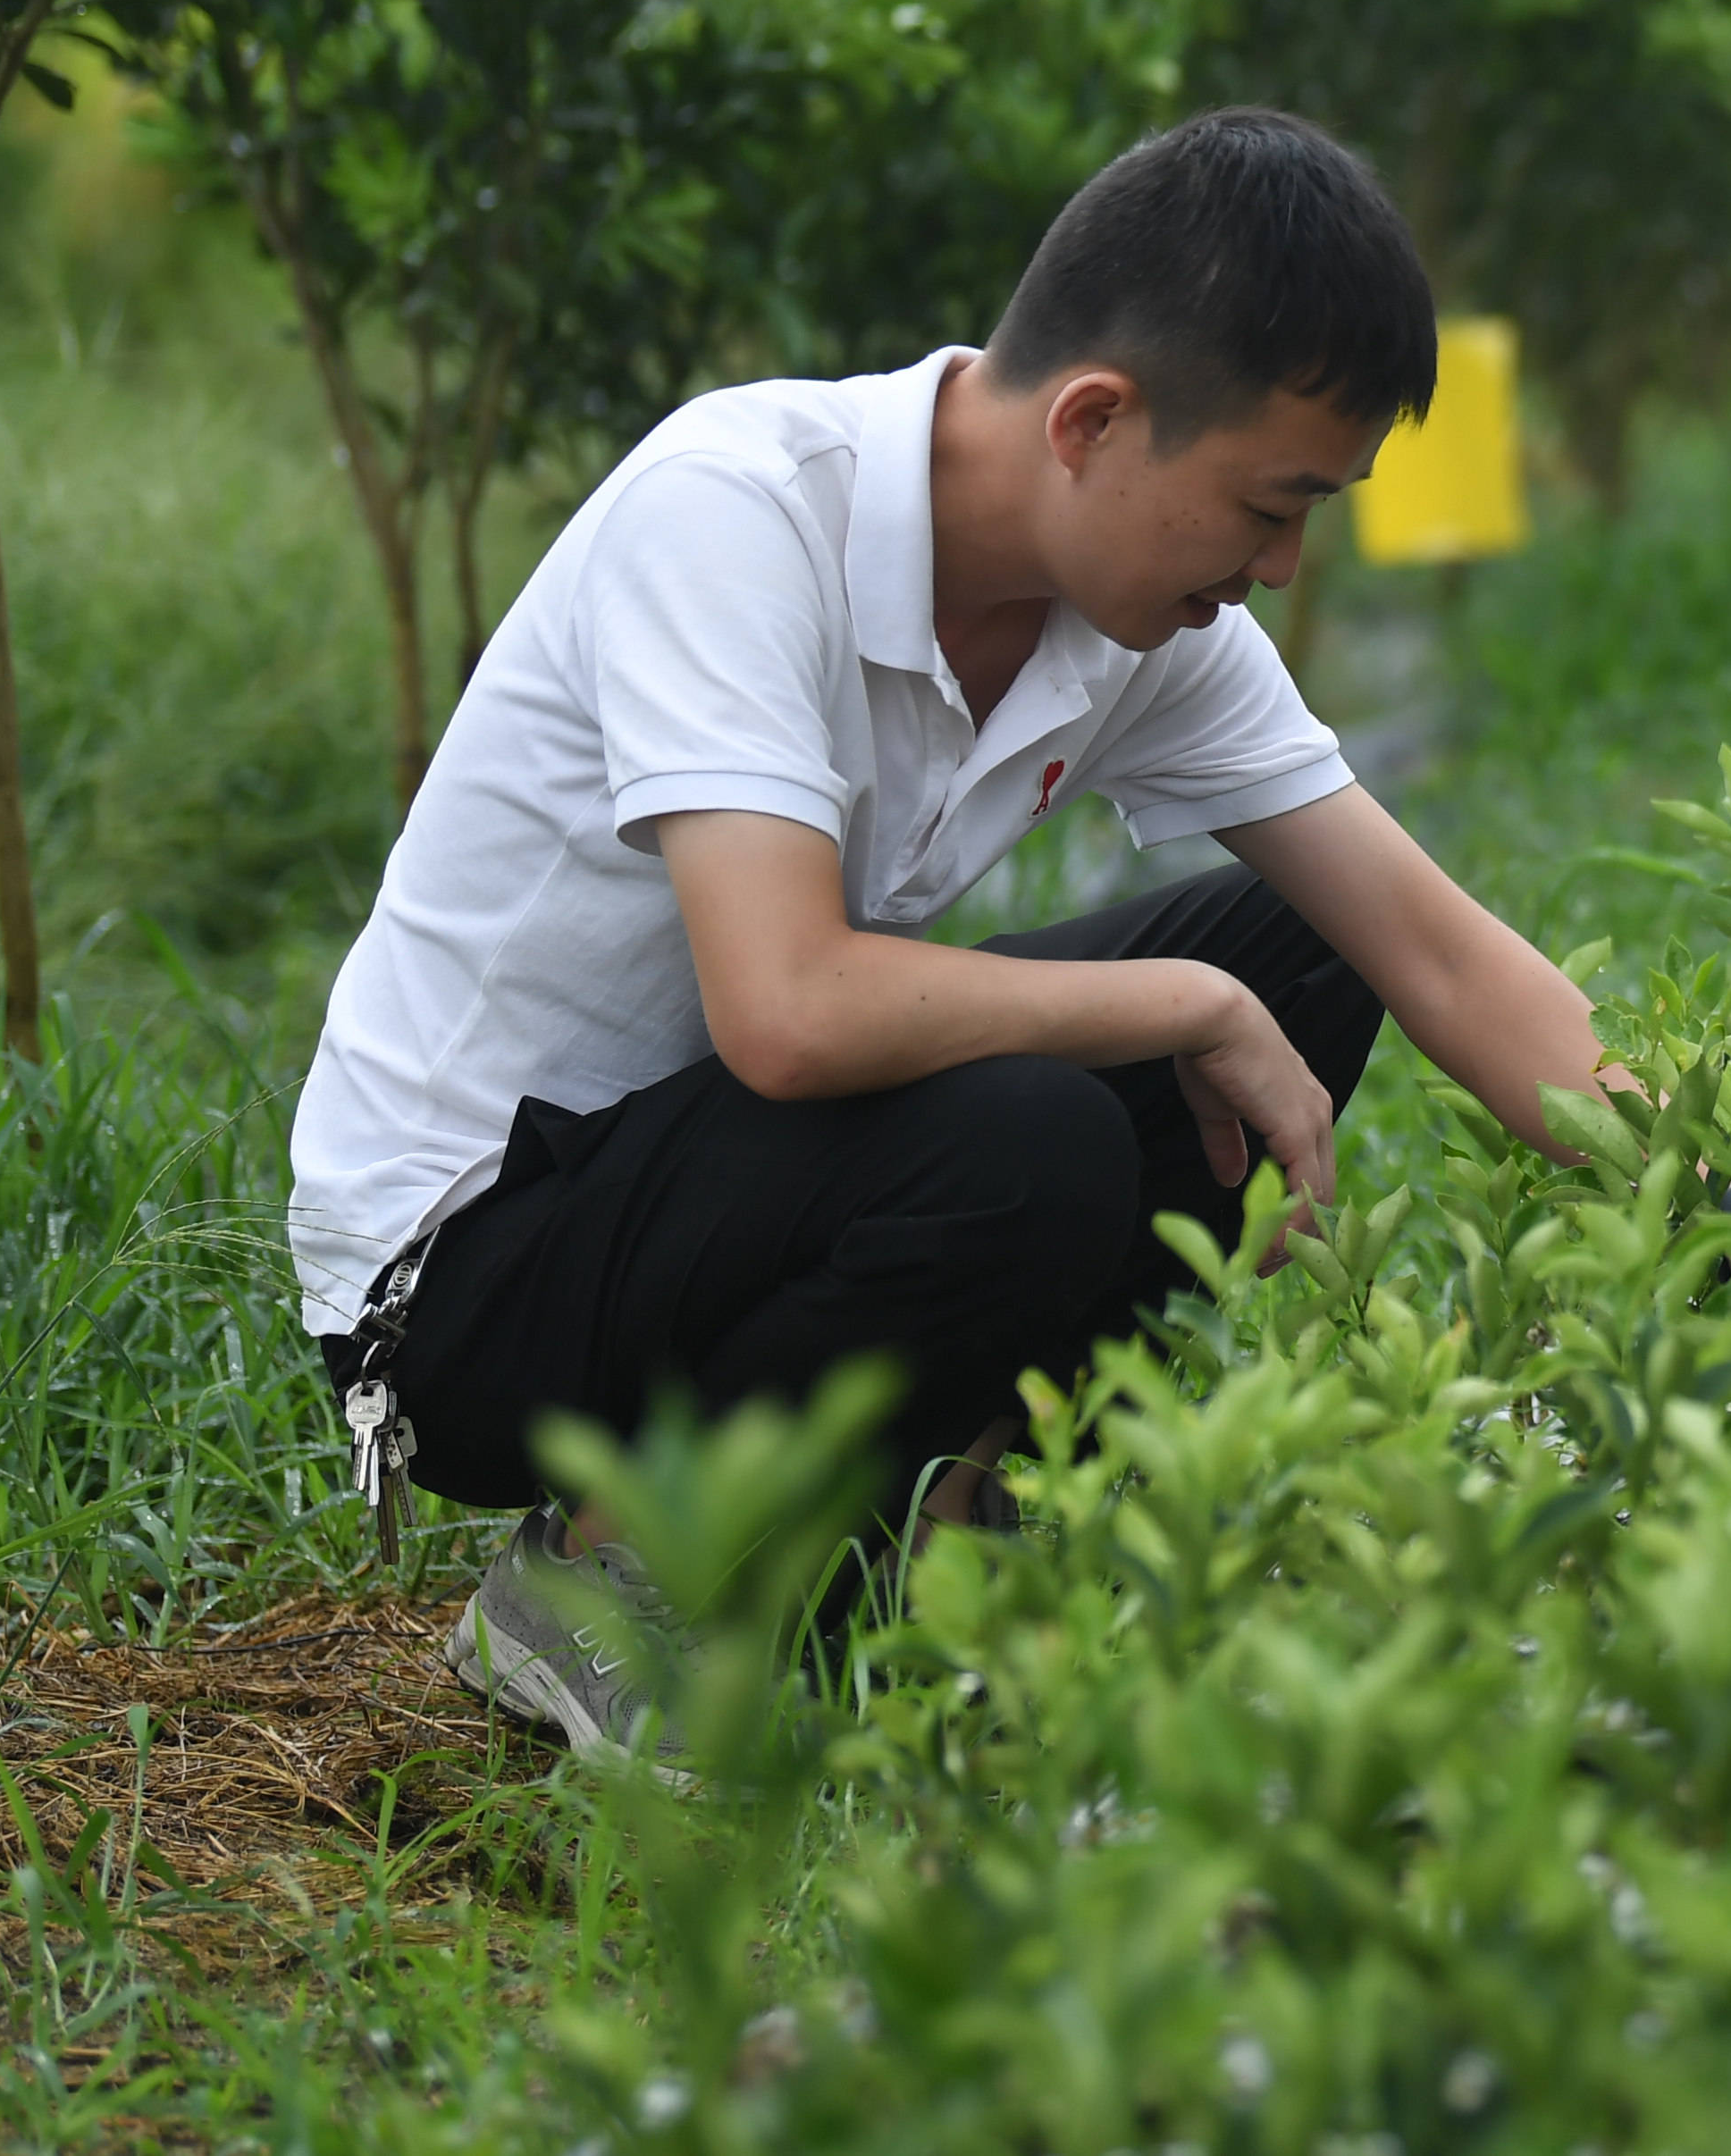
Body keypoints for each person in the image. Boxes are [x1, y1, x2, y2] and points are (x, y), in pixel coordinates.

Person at [288, 108, 1631, 1766]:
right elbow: (784, 1013)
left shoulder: (1142, 618)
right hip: (473, 1275)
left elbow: (1432, 948)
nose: (1282, 567)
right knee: (1037, 1129)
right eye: (1269, 506)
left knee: (1307, 947)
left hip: (733, 1186)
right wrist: (1179, 1002)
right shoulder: (737, 515)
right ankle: (597, 1576)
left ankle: (947, 1529)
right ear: (1092, 420)